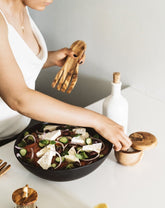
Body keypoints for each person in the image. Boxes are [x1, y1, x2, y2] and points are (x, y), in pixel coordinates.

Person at [0, 0, 132, 150]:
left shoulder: (21, 7)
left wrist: (51, 58)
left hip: (15, 136)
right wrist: (99, 121)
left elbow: (11, 66)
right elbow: (18, 98)